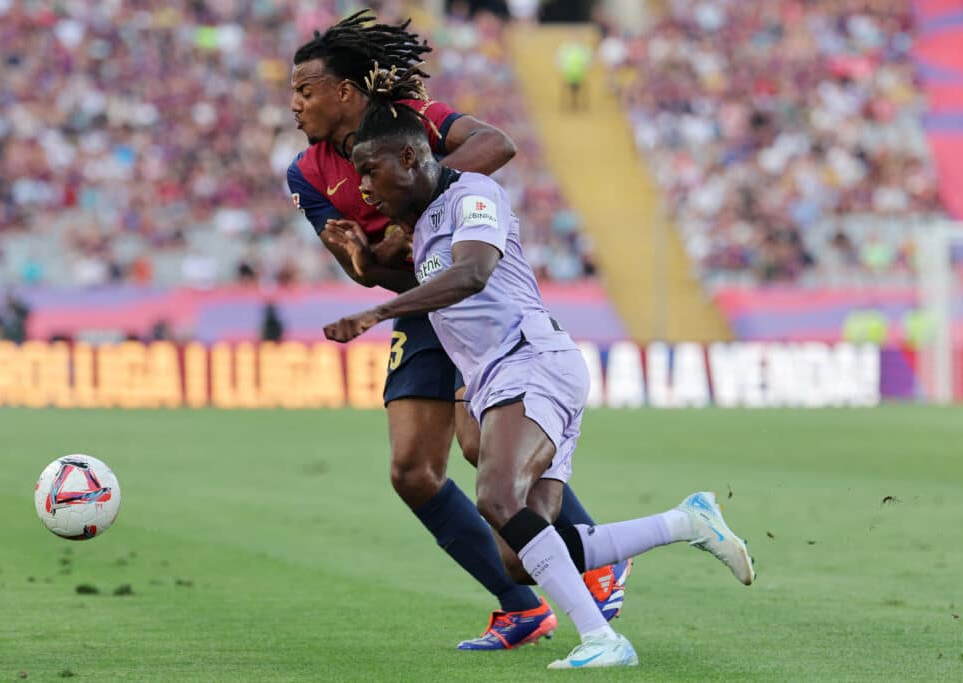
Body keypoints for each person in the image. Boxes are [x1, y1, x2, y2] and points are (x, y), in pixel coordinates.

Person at [322, 66, 755, 669]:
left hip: (531, 362)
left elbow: (472, 272)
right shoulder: (422, 229)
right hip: (502, 375)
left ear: (411, 158)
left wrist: (378, 312)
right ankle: (686, 522)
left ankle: (603, 642)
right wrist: (366, 263)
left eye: (371, 171)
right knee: (522, 553)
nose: (364, 188)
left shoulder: (473, 195)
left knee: (497, 498)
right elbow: (433, 273)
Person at [284, 11, 629, 649]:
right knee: (412, 471)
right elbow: (372, 277)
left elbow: (495, 145)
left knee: (486, 453)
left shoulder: (414, 117)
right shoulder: (305, 174)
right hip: (418, 305)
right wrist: (362, 256)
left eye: (304, 91)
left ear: (344, 92)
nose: (294, 105)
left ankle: (596, 559)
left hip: (475, 298)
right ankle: (521, 605)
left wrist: (418, 213)